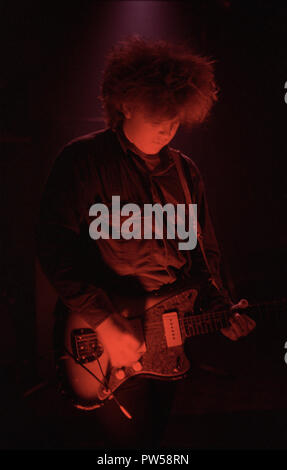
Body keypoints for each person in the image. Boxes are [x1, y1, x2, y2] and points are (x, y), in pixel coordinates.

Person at [36, 35, 256, 449]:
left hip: (170, 344)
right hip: (105, 337)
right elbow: (53, 248)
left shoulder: (186, 172)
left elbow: (202, 258)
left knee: (156, 444)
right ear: (126, 103)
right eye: (159, 113)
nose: (168, 126)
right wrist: (103, 320)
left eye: (175, 116)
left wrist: (219, 307)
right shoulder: (82, 160)